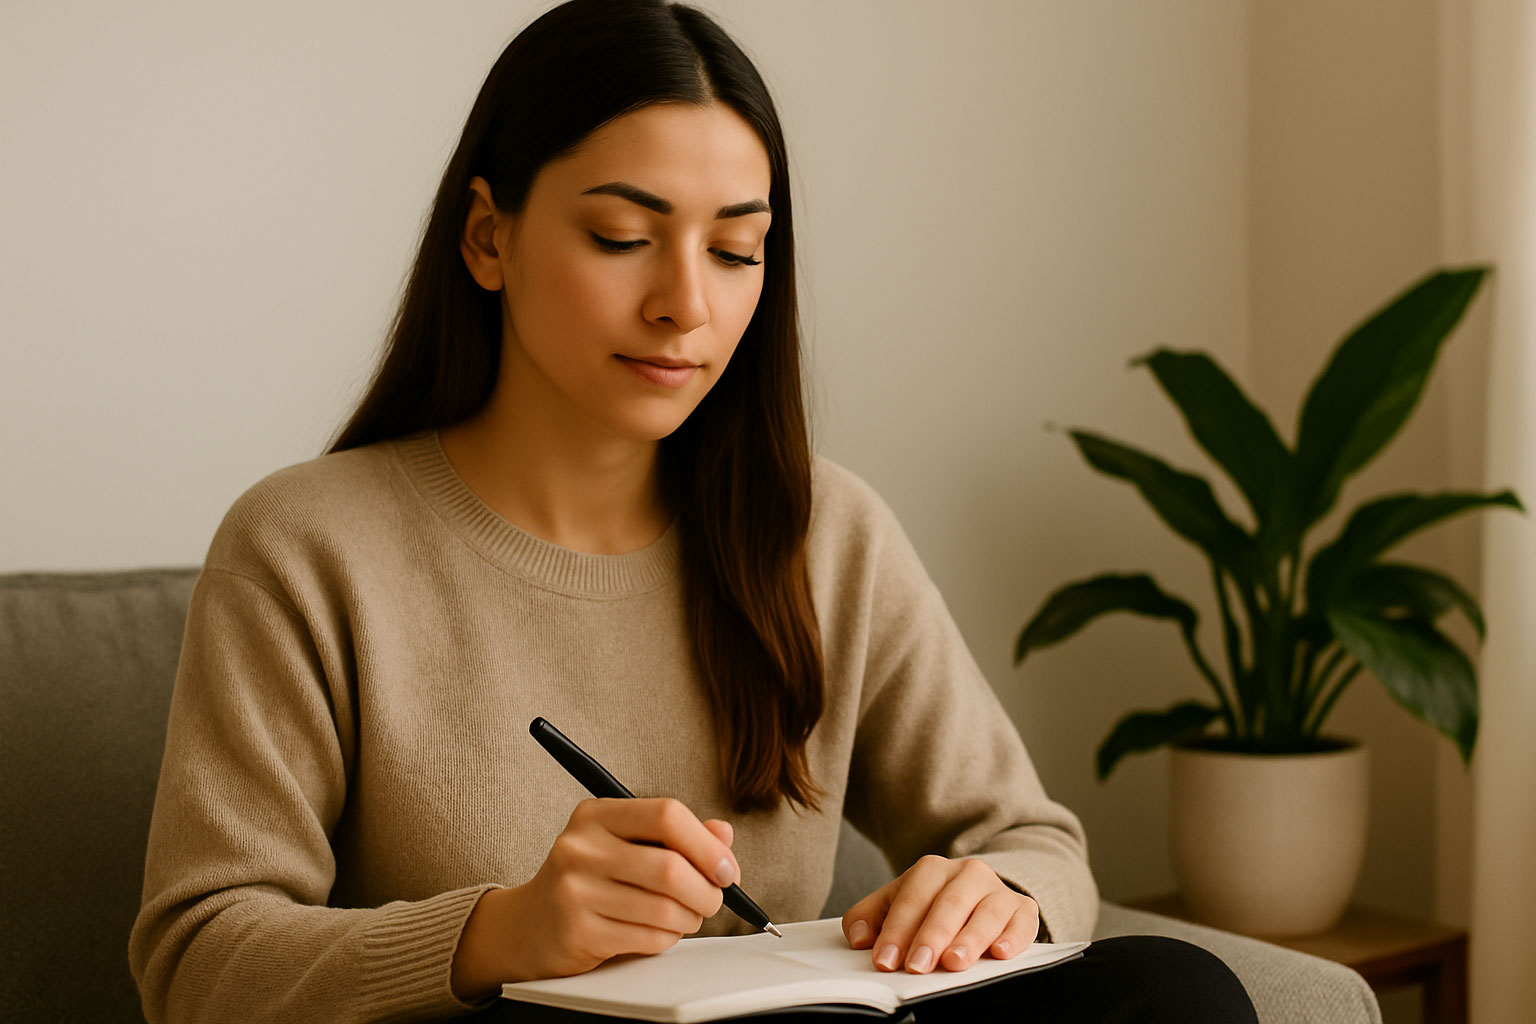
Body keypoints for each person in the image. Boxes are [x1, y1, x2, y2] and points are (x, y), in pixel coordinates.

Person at [129, 1, 1257, 1021]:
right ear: (487, 237)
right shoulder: (307, 547)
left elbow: (1032, 839)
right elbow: (197, 958)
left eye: (734, 250)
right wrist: (497, 933)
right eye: (622, 238)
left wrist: (993, 893)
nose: (687, 304)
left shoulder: (826, 533)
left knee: (1177, 990)